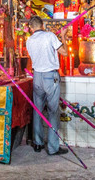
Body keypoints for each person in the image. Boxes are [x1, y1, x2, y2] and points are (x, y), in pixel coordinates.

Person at [26, 16, 68, 156]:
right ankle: (52, 147)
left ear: (31, 28)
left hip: (37, 77)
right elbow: (65, 52)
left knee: (37, 111)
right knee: (52, 111)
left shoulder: (29, 40)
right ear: (43, 25)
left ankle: (37, 143)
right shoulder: (50, 36)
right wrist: (62, 36)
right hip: (50, 77)